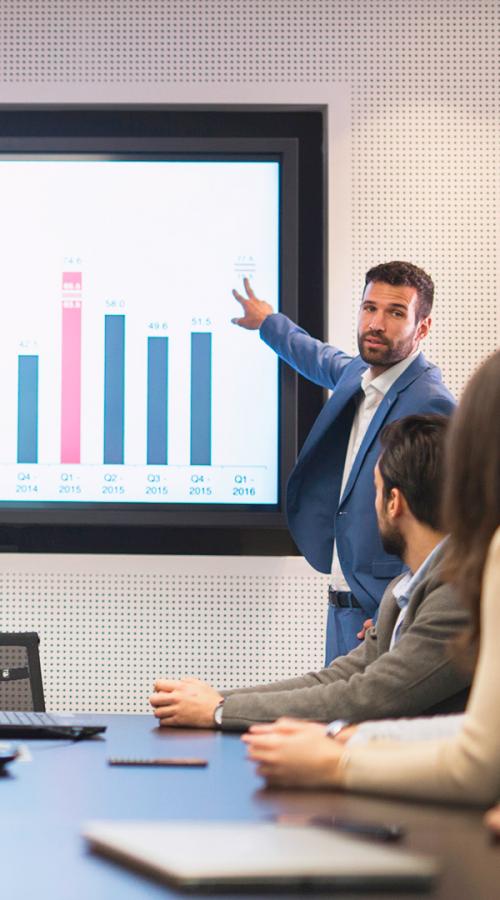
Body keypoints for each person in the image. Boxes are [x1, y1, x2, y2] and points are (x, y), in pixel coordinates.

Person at [243, 349, 500, 807]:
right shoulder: (408, 587)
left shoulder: (468, 578)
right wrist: (355, 741)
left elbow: (471, 757)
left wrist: (338, 760)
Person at [150, 415, 471, 731]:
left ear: (393, 503)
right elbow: (339, 677)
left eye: (375, 490)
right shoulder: (404, 588)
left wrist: (219, 711)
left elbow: (369, 697)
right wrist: (215, 701)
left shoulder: (458, 594)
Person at [232, 261, 455, 660]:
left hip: (385, 617)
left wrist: (406, 608)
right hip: (343, 609)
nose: (377, 323)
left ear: (422, 328)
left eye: (395, 312)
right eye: (370, 308)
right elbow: (320, 358)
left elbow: (454, 526)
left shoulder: (432, 404)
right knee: (332, 718)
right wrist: (268, 322)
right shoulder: (360, 372)